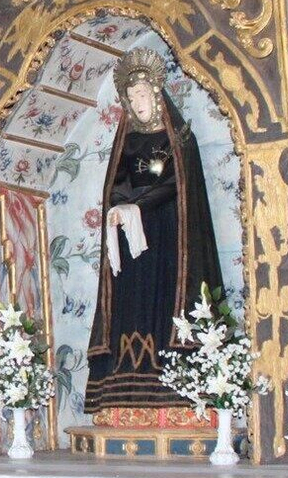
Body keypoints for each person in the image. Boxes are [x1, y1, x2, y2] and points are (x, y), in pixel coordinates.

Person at [84, 48, 223, 415]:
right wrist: (118, 207)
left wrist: (140, 207)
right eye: (131, 98)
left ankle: (176, 388)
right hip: (131, 243)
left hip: (169, 236)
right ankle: (123, 385)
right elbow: (117, 183)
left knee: (165, 296)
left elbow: (178, 183)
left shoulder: (179, 139)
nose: (138, 103)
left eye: (143, 95)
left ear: (157, 95)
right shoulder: (127, 142)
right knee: (132, 299)